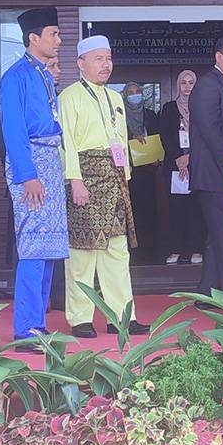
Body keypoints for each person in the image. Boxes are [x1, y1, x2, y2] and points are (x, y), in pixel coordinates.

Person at [59, 35, 149, 338]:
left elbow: (119, 141)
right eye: (98, 59)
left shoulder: (115, 97)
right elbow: (66, 143)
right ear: (80, 63)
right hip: (85, 176)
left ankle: (121, 317)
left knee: (117, 251)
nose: (106, 64)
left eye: (108, 58)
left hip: (114, 180)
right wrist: (75, 180)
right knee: (83, 252)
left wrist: (125, 178)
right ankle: (80, 317)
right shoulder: (69, 96)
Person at [0, 8, 71, 350]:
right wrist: (28, 175)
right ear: (34, 38)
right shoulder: (16, 77)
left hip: (50, 161)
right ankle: (26, 329)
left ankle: (38, 323)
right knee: (33, 245)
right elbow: (13, 131)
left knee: (48, 246)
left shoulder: (42, 74)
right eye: (53, 33)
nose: (59, 40)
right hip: (32, 164)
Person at [189, 34, 223, 302]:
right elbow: (212, 132)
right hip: (215, 174)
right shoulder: (208, 85)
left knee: (217, 237)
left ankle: (207, 293)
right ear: (219, 57)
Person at [160, 70, 206, 265]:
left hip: (197, 165)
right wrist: (178, 158)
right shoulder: (169, 108)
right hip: (174, 166)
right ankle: (176, 249)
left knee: (196, 209)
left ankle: (197, 249)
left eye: (191, 83)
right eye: (183, 83)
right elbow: (165, 135)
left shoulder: (202, 108)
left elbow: (205, 135)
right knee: (176, 209)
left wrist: (189, 157)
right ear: (179, 85)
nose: (187, 87)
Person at [121, 81, 161, 265]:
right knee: (130, 212)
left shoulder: (150, 115)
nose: (135, 95)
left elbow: (160, 138)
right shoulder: (119, 116)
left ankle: (151, 251)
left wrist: (158, 156)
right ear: (124, 95)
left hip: (148, 171)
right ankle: (131, 252)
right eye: (131, 92)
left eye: (138, 91)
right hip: (127, 173)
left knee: (149, 211)